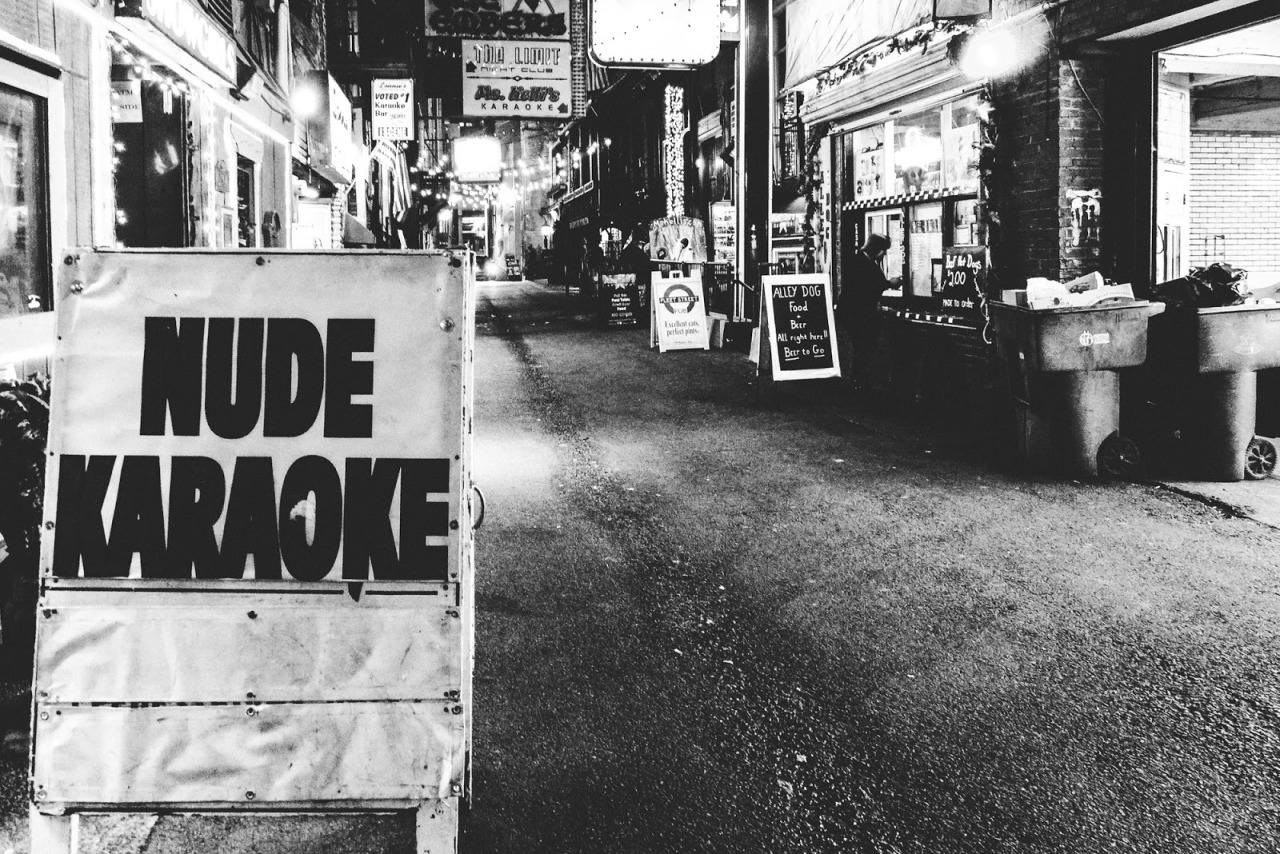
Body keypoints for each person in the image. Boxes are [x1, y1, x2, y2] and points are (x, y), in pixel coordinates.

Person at [835, 232, 894, 389]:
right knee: (864, 347)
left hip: (854, 314)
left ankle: (858, 380)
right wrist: (890, 284)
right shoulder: (861, 262)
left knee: (862, 348)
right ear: (877, 248)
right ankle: (857, 381)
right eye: (883, 250)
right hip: (856, 315)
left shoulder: (860, 260)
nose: (884, 254)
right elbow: (870, 285)